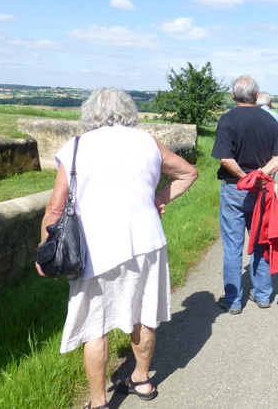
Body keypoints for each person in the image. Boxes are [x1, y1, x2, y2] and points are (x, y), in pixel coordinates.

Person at [36, 88, 199, 409]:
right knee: (144, 314)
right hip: (147, 242)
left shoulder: (78, 146)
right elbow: (188, 173)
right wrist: (156, 201)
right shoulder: (147, 141)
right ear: (128, 111)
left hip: (96, 248)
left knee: (94, 325)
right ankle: (141, 378)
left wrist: (44, 250)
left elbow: (55, 209)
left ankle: (98, 402)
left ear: (90, 113)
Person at [211, 76, 278, 315]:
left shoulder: (228, 119)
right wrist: (260, 175)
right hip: (262, 190)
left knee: (233, 246)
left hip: (234, 188)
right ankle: (263, 295)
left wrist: (246, 177)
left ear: (233, 96)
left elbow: (226, 158)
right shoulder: (270, 119)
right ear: (256, 96)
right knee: (260, 241)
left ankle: (234, 301)